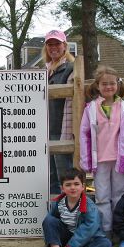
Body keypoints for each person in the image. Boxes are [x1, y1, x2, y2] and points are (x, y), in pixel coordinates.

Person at [79, 65, 124, 238]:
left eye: (112, 83)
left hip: (121, 159)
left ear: (118, 85)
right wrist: (86, 159)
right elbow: (84, 134)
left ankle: (119, 230)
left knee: (119, 195)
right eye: (104, 84)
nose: (108, 87)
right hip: (100, 161)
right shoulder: (90, 108)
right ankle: (105, 230)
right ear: (98, 86)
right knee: (102, 197)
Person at [42, 168, 112, 247]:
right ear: (62, 188)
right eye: (68, 185)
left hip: (86, 240)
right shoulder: (58, 203)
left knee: (105, 243)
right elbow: (49, 226)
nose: (72, 187)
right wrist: (58, 243)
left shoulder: (89, 205)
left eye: (76, 184)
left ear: (83, 186)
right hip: (66, 237)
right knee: (49, 220)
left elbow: (90, 227)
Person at [43, 29, 76, 194]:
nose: (53, 47)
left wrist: (67, 133)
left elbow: (72, 104)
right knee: (50, 178)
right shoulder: (45, 71)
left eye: (57, 43)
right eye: (50, 44)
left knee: (64, 176)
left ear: (64, 46)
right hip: (45, 131)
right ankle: (53, 214)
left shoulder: (71, 69)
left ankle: (68, 214)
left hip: (61, 131)